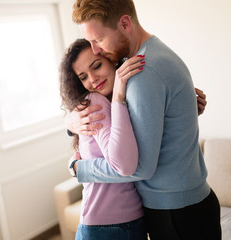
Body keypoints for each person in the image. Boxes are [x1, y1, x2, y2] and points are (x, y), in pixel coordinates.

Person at [67, 0, 221, 239]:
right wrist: (70, 124)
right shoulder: (156, 53)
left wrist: (79, 169)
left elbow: (137, 167)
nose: (95, 49)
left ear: (125, 23)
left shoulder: (141, 72)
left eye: (98, 40)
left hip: (176, 212)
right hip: (187, 205)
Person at [60, 38, 147, 239]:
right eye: (83, 77)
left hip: (132, 220)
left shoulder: (128, 97)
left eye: (96, 66)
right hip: (104, 226)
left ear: (111, 59)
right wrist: (117, 97)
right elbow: (123, 165)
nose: (92, 79)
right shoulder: (94, 102)